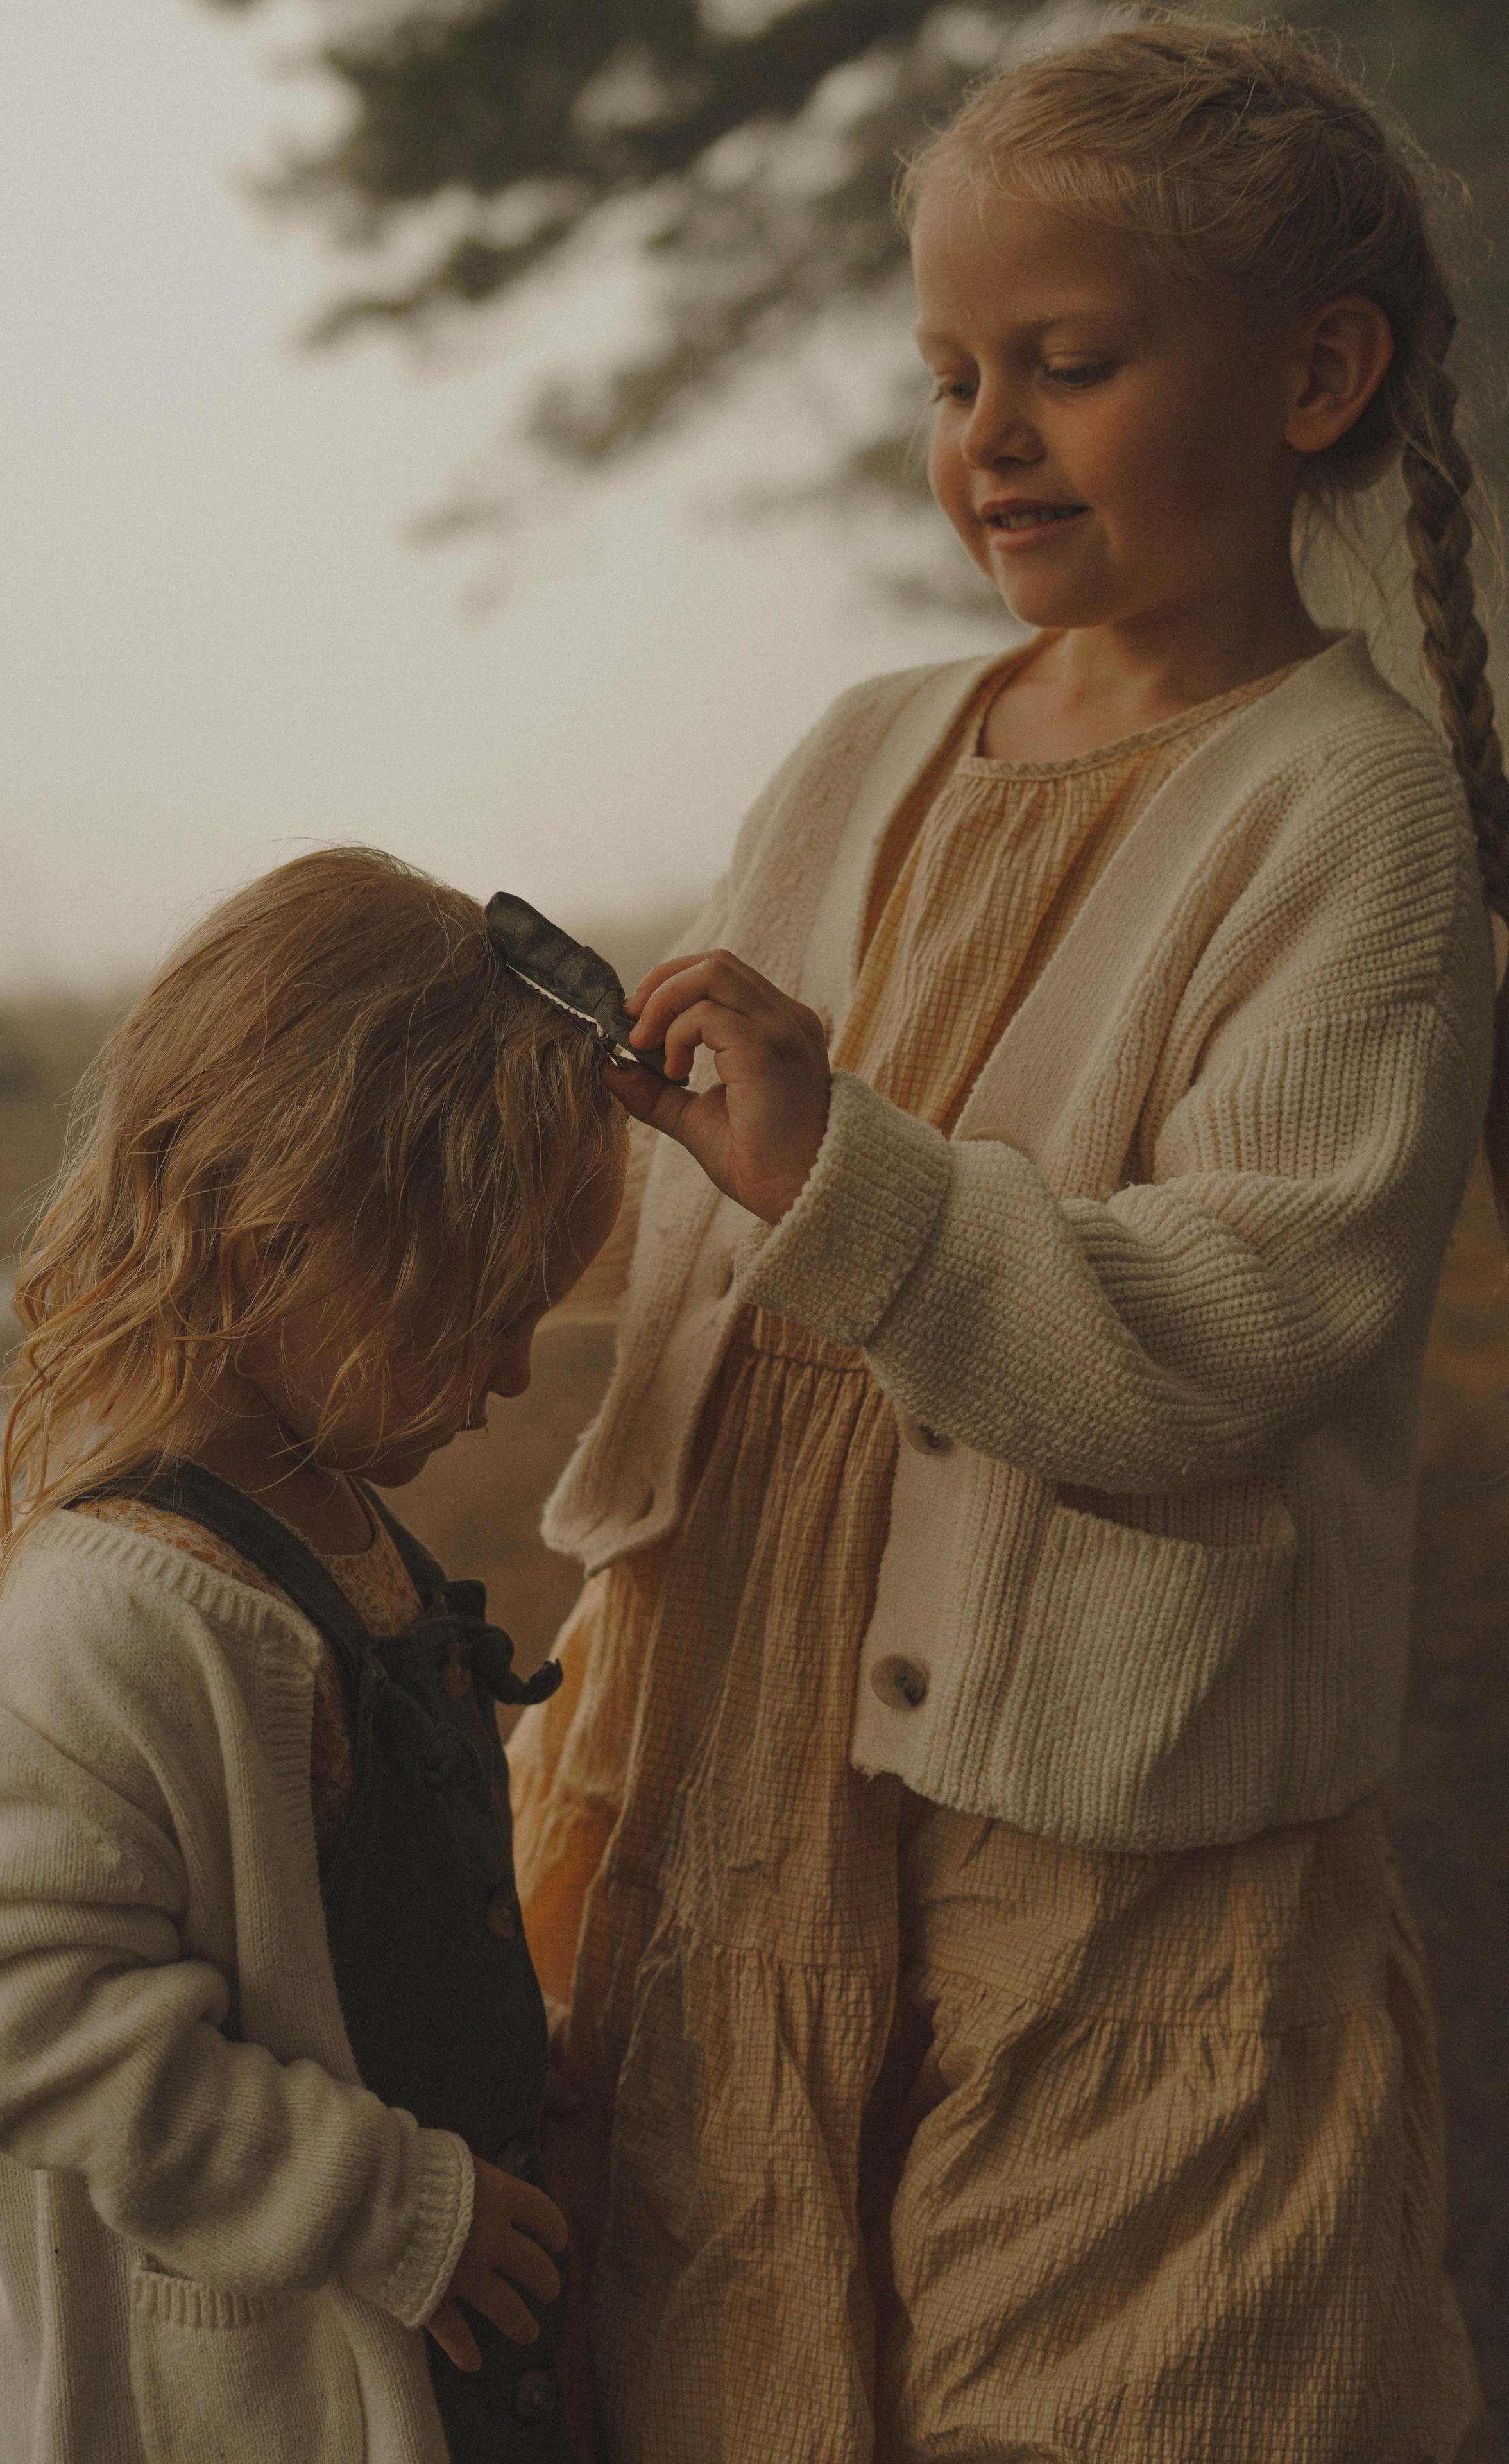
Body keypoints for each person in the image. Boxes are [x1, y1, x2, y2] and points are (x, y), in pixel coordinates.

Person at [508, 21, 1505, 2461]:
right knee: (722, 2367)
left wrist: (836, 1171)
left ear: (1317, 375)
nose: (990, 435)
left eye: (1067, 364)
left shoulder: (1349, 819)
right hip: (746, 1758)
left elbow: (1218, 1338)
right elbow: (710, 1249)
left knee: (1120, 2395)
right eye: (954, 374)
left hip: (1107, 1857)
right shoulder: (858, 751)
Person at [0, 849, 627, 2464]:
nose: (512, 1370)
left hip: (435, 2361)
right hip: (233, 2399)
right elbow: (14, 2006)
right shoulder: (124, 1618)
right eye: (489, 1309)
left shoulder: (341, 1527)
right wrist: (377, 2202)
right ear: (291, 1234)